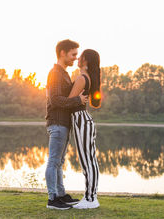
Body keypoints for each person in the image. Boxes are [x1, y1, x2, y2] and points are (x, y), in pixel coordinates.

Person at [45, 39, 89, 210]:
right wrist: (77, 99)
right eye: (73, 55)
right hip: (57, 123)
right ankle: (52, 199)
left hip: (63, 124)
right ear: (62, 53)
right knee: (53, 161)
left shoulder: (63, 73)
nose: (75, 58)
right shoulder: (55, 73)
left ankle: (60, 195)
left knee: (59, 162)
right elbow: (55, 100)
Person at [68, 49, 101, 209]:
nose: (78, 58)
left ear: (86, 60)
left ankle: (90, 199)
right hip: (81, 119)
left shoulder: (82, 78)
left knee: (88, 161)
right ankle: (90, 196)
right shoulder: (84, 77)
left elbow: (68, 101)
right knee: (89, 160)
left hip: (81, 119)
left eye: (80, 56)